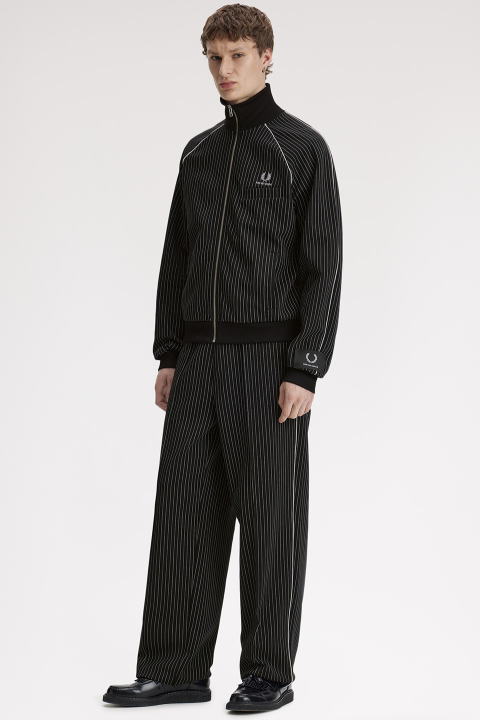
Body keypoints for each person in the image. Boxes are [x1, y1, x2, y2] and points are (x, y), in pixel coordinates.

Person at [103, 3, 342, 713]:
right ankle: (175, 667)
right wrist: (168, 353)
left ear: (266, 56)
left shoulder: (301, 149)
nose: (224, 69)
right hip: (199, 362)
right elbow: (175, 259)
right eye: (214, 57)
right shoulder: (198, 154)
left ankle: (268, 672)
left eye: (237, 55)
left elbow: (323, 266)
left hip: (269, 364)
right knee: (184, 514)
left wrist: (305, 366)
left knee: (270, 522)